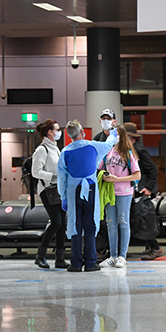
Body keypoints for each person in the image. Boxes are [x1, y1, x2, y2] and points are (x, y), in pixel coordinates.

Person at [57, 120, 117, 272]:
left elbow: (61, 177)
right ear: (82, 132)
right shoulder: (93, 146)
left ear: (69, 135)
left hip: (72, 191)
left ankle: (76, 263)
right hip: (90, 189)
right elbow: (108, 145)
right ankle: (91, 262)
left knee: (75, 226)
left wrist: (63, 196)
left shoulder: (65, 152)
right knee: (90, 225)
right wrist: (113, 134)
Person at [98, 125, 141, 269]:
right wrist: (104, 176)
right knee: (111, 224)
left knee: (123, 222)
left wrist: (116, 179)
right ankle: (113, 255)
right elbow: (99, 168)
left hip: (124, 192)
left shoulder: (128, 154)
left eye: (115, 134)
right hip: (110, 193)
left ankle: (122, 255)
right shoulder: (107, 153)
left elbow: (137, 175)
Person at [123, 122, 163, 261]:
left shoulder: (139, 150)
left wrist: (149, 188)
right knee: (138, 220)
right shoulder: (131, 149)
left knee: (142, 219)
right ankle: (152, 247)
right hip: (135, 190)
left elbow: (152, 170)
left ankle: (155, 248)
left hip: (141, 191)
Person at [32, 119, 68, 269]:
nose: (59, 132)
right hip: (48, 190)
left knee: (62, 224)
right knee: (56, 222)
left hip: (58, 189)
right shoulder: (42, 150)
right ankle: (40, 255)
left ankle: (59, 258)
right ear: (50, 133)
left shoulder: (56, 148)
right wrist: (54, 176)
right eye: (57, 129)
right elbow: (36, 172)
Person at [94, 109, 117, 259]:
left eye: (108, 118)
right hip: (102, 183)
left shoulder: (119, 137)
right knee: (102, 219)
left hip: (118, 184)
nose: (106, 121)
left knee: (116, 220)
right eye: (103, 118)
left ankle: (115, 250)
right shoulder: (98, 138)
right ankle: (102, 248)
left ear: (114, 121)